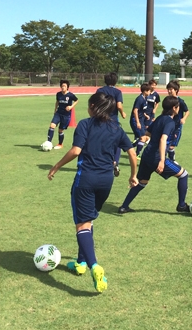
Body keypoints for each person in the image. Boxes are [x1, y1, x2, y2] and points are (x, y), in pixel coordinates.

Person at [47, 92, 137, 293]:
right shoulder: (116, 127)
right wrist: (133, 176)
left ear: (94, 107)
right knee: (89, 221)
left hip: (86, 179)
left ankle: (94, 266)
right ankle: (80, 263)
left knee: (81, 224)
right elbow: (132, 153)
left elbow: (76, 151)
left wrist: (56, 166)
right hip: (106, 181)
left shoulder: (85, 125)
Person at [118, 96, 191, 214]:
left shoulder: (159, 119)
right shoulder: (170, 122)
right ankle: (181, 205)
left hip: (147, 155)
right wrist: (162, 161)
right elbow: (163, 139)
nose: (179, 109)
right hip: (156, 157)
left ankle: (124, 206)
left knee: (142, 182)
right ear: (174, 108)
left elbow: (147, 133)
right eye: (178, 107)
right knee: (183, 175)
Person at [96, 72, 127, 177]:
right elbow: (119, 105)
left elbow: (95, 104)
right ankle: (115, 162)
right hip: (113, 120)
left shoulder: (100, 91)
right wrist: (123, 113)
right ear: (115, 81)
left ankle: (100, 162)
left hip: (100, 119)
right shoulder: (117, 92)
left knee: (100, 141)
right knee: (117, 142)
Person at [46, 80, 78, 150]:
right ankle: (49, 143)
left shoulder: (70, 95)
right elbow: (57, 102)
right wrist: (55, 110)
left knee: (60, 130)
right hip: (58, 113)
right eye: (62, 86)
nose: (63, 87)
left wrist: (71, 107)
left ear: (67, 87)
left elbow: (76, 100)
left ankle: (60, 144)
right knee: (52, 126)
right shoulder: (58, 94)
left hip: (66, 115)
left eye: (65, 86)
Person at [166, 80, 189, 162]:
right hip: (168, 125)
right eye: (168, 89)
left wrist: (183, 118)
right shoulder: (167, 100)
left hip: (177, 126)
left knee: (171, 146)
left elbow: (187, 111)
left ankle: (172, 161)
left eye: (170, 89)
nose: (169, 91)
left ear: (176, 90)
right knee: (165, 143)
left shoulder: (180, 101)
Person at [131, 82, 152, 156]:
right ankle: (136, 155)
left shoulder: (145, 98)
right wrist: (137, 122)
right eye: (149, 90)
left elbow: (141, 110)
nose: (150, 92)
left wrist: (145, 115)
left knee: (146, 137)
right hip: (136, 120)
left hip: (141, 119)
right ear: (145, 91)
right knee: (143, 138)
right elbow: (135, 110)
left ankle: (130, 146)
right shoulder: (139, 99)